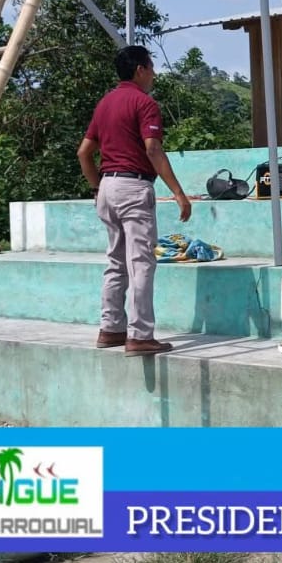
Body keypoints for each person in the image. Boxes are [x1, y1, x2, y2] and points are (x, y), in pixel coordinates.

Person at [77, 45, 192, 357]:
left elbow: (84, 153)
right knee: (141, 262)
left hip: (106, 186)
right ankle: (140, 335)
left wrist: (97, 188)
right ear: (140, 69)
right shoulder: (144, 103)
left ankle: (111, 329)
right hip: (133, 186)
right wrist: (179, 193)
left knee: (116, 261)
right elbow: (153, 148)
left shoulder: (105, 103)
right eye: (151, 68)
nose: (153, 74)